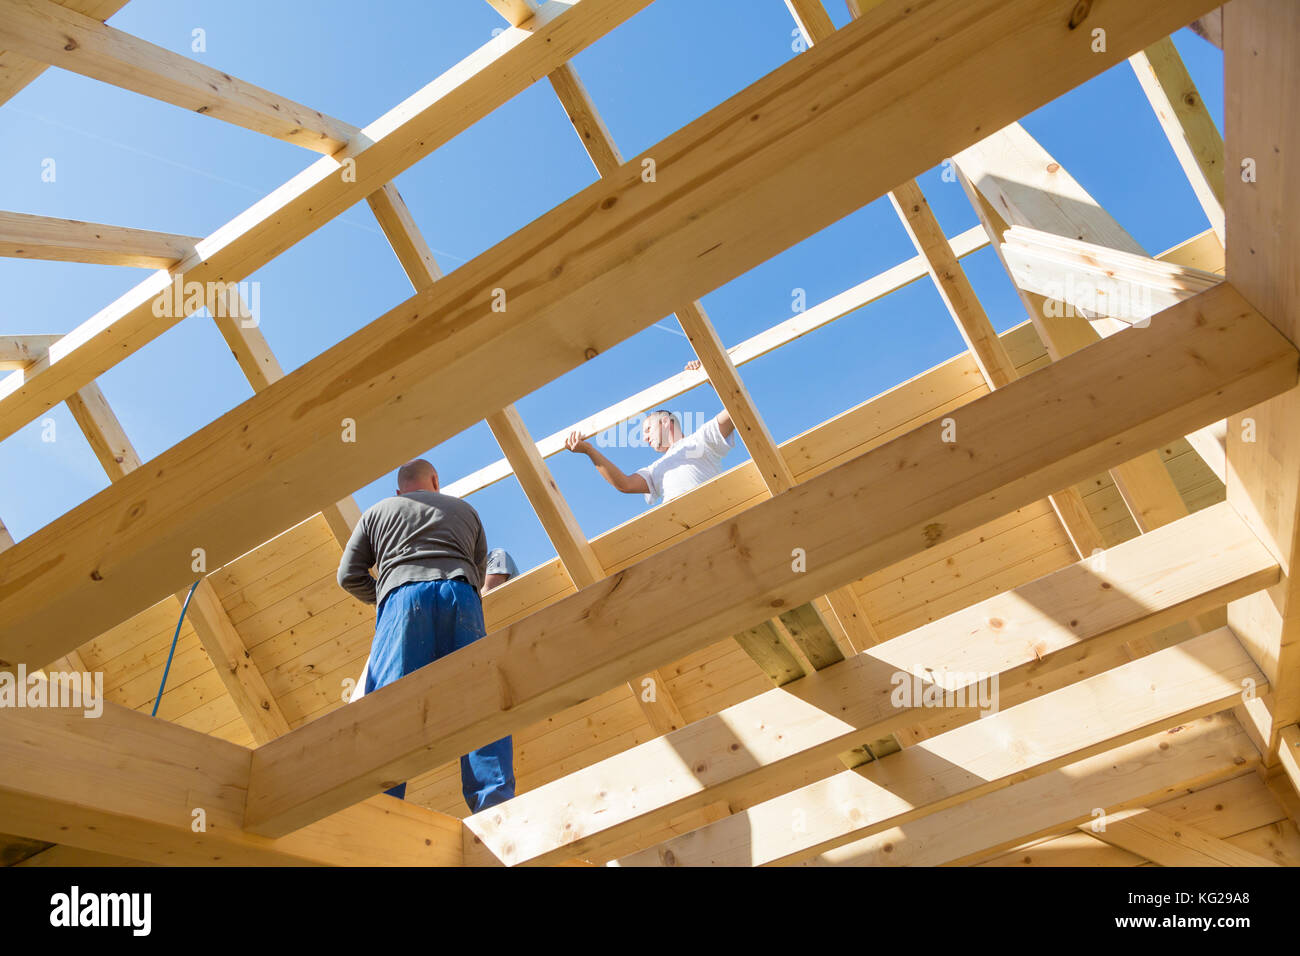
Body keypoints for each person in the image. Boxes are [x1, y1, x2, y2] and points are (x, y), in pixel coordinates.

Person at [337, 458, 515, 813]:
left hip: (402, 602)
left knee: (390, 704)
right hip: (460, 597)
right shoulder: (466, 510)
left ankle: (379, 807)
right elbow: (479, 574)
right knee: (477, 697)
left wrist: (387, 593)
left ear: (399, 489)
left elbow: (347, 575)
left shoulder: (377, 512)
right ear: (435, 480)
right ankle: (495, 805)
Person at [564, 360, 736, 506]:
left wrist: (709, 377)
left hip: (715, 513)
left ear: (665, 422)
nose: (645, 438)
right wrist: (589, 450)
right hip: (681, 528)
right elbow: (625, 484)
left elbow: (735, 409)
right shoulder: (654, 470)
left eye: (647, 429)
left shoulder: (699, 440)